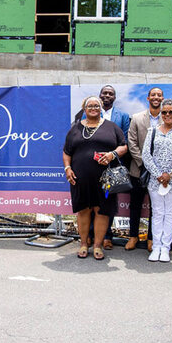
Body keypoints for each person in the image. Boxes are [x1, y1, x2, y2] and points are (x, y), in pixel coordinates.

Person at [63, 96, 128, 260]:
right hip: (80, 178)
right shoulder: (75, 129)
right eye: (90, 105)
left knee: (102, 210)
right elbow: (66, 152)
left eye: (96, 105)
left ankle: (98, 246)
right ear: (84, 109)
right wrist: (67, 168)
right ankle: (84, 244)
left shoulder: (112, 127)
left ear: (101, 108)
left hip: (105, 179)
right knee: (83, 210)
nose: (93, 108)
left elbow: (123, 146)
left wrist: (112, 155)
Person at [142, 99, 172, 262]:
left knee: (170, 214)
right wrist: (158, 174)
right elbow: (146, 156)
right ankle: (156, 247)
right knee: (157, 214)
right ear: (161, 114)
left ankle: (165, 248)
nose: (167, 115)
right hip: (156, 181)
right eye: (164, 112)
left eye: (171, 112)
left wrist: (170, 174)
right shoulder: (152, 131)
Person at [86, 85, 131, 250]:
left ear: (114, 97)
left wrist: (111, 155)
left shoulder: (123, 116)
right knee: (91, 201)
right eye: (104, 93)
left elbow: (124, 141)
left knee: (107, 201)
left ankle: (107, 236)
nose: (107, 96)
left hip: (110, 166)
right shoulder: (89, 114)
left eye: (110, 94)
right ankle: (90, 235)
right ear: (99, 96)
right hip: (90, 166)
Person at [125, 87, 164, 252]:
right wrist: (145, 162)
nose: (156, 97)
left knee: (156, 207)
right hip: (138, 169)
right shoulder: (136, 118)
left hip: (159, 172)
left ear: (162, 98)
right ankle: (133, 236)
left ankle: (151, 239)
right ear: (148, 98)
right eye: (153, 95)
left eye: (159, 95)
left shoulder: (168, 118)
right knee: (135, 205)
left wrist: (156, 167)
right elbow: (131, 142)